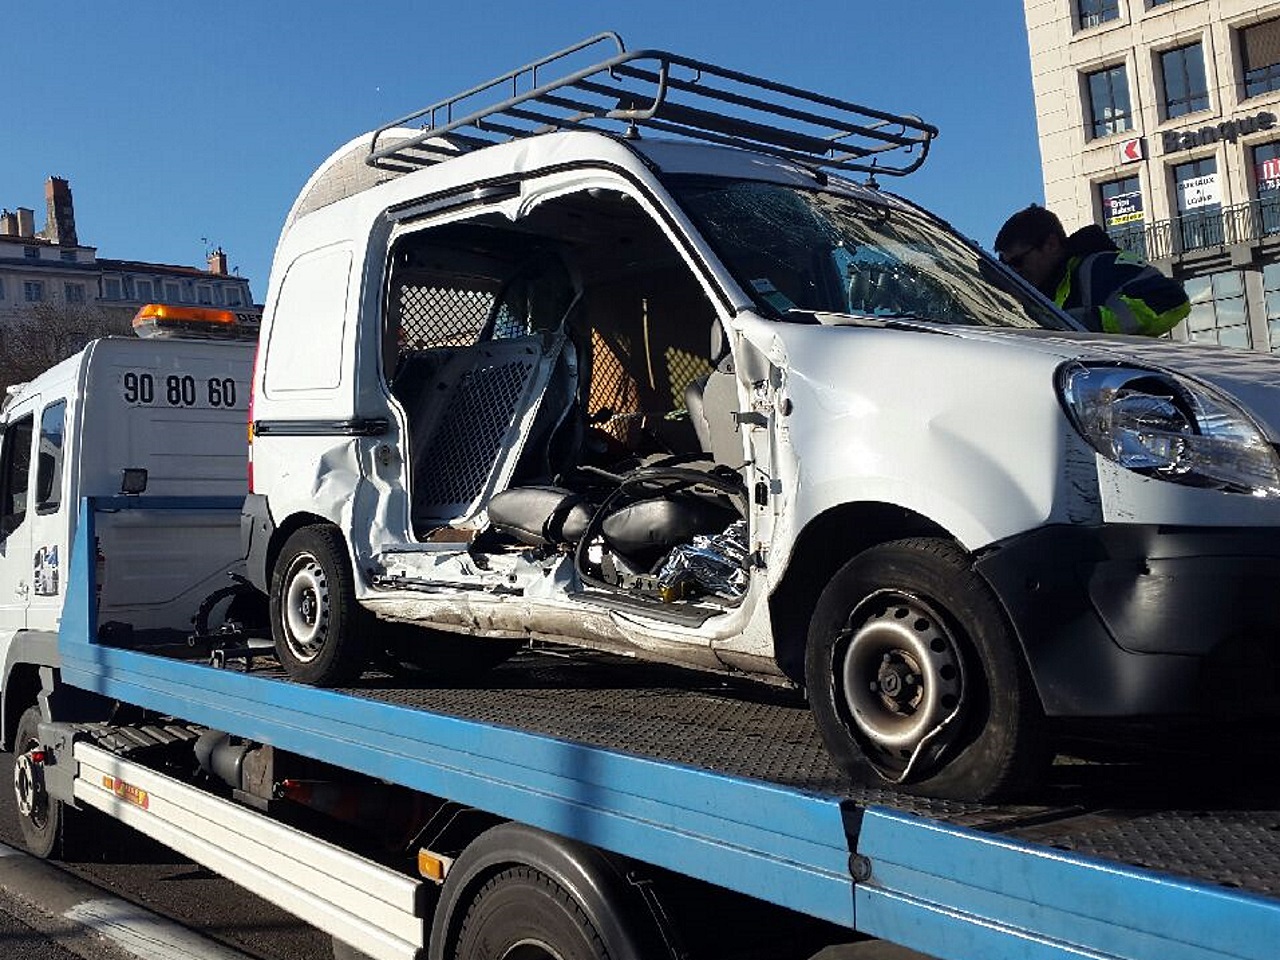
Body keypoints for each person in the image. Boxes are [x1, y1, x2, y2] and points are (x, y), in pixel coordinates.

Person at [994, 204, 1190, 337]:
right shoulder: (1039, 293)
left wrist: (1089, 322)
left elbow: (1173, 301)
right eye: (1005, 264)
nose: (1014, 271)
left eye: (1018, 261)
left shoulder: (1103, 267)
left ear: (1051, 244)